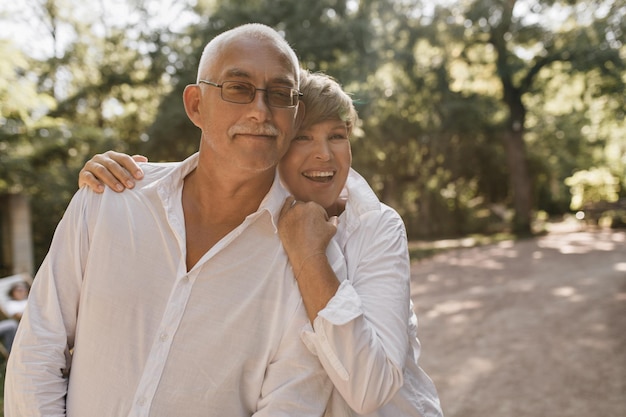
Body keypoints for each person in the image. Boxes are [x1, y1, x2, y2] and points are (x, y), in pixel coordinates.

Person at [5, 23, 337, 417]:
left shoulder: (309, 258)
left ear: (295, 116)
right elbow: (37, 350)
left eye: (280, 94)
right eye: (238, 88)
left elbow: (290, 404)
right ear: (196, 105)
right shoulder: (108, 201)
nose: (259, 110)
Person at [79, 69, 443, 417]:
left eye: (337, 135)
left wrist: (309, 256)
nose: (324, 154)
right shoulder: (243, 223)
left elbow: (370, 388)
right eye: (303, 137)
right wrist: (123, 175)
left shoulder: (378, 227)